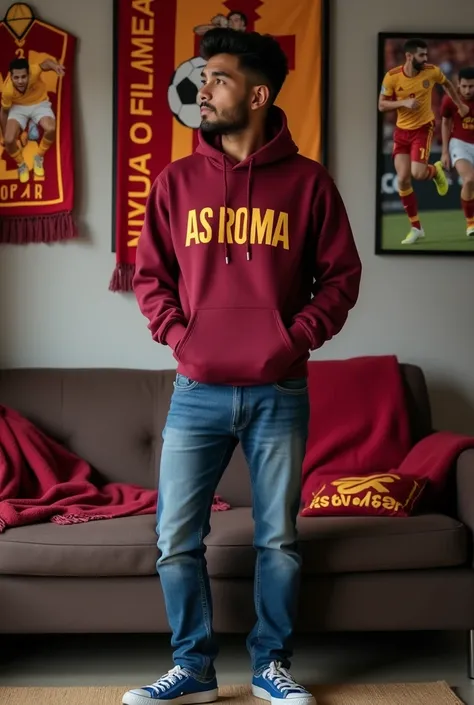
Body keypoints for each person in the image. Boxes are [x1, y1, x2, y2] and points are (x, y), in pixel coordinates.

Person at [124, 27, 361, 705]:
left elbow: (341, 277)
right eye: (203, 77)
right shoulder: (176, 182)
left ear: (258, 94)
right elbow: (151, 277)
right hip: (196, 388)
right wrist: (180, 336)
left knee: (279, 538)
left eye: (219, 78)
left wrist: (293, 339)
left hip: (278, 388)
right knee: (174, 537)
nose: (204, 90)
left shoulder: (309, 183)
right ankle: (193, 666)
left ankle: (270, 666)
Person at [378, 38, 469, 245]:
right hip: (401, 132)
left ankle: (434, 172)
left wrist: (459, 105)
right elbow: (382, 105)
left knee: (417, 173)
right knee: (402, 178)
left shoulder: (432, 71)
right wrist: (403, 102)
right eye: (421, 55)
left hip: (422, 129)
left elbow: (447, 84)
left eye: (426, 54)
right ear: (409, 56)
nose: (426, 58)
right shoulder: (392, 77)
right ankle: (416, 228)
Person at [0, 56, 65, 183]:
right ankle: (21, 165)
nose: (20, 81)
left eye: (23, 77)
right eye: (16, 77)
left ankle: (38, 157)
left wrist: (54, 66)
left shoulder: (34, 71)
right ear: (11, 76)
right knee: (8, 139)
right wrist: (4, 133)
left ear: (29, 74)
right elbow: (4, 111)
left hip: (39, 103)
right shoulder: (7, 91)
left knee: (51, 128)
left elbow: (45, 63)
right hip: (18, 107)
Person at [440, 66, 474, 237]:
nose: (468, 90)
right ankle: (470, 223)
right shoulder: (449, 100)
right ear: (458, 85)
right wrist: (445, 151)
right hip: (460, 144)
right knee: (468, 180)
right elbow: (445, 124)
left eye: (472, 86)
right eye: (464, 86)